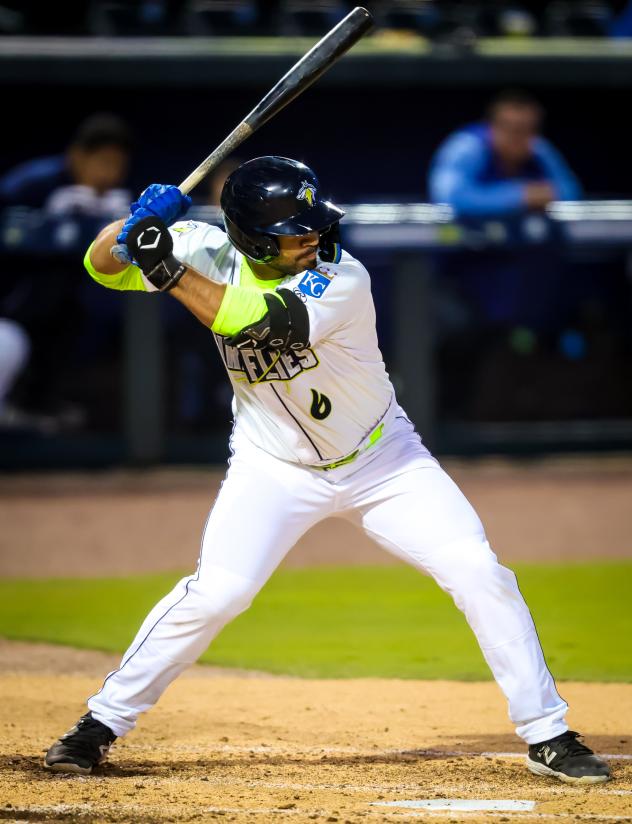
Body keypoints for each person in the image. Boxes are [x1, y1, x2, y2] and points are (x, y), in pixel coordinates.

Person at [44, 157, 609, 785]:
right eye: (295, 228)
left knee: (478, 570)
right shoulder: (202, 248)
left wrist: (163, 262)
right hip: (273, 466)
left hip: (383, 460)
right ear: (253, 235)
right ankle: (99, 724)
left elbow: (255, 324)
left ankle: (548, 734)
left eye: (314, 223)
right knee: (219, 592)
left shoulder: (341, 278)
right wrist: (133, 228)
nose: (313, 236)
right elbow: (100, 266)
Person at [428, 89, 582, 217]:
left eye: (530, 130)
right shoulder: (467, 147)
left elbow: (571, 192)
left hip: (523, 245)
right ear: (492, 127)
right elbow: (448, 199)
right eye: (513, 130)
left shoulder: (538, 147)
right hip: (466, 245)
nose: (520, 138)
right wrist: (520, 195)